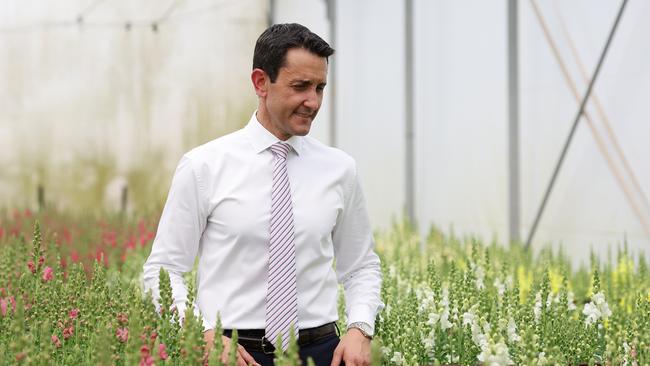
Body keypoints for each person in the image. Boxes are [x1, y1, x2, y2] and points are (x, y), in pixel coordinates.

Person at [143, 23, 383, 366]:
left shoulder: (340, 169)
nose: (312, 102)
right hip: (232, 355)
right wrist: (200, 334)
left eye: (320, 87)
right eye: (300, 86)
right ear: (260, 82)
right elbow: (163, 270)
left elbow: (361, 266)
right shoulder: (204, 166)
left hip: (320, 353)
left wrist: (360, 328)